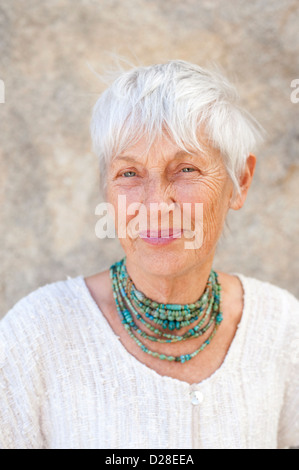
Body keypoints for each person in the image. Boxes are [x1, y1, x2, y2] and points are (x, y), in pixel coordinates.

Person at [0, 60, 298, 449]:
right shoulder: (36, 334)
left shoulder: (280, 327)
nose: (156, 203)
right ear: (106, 188)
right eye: (129, 174)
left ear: (239, 182)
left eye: (186, 169)